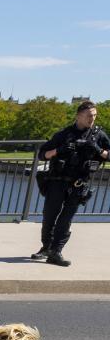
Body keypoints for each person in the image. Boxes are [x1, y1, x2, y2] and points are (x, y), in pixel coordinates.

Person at [32, 100, 110, 266]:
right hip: (57, 181)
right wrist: (59, 151)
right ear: (78, 116)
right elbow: (42, 154)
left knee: (66, 219)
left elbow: (108, 155)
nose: (92, 119)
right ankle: (46, 247)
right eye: (89, 115)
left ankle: (56, 251)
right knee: (49, 216)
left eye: (95, 115)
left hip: (79, 184)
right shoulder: (63, 134)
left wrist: (97, 149)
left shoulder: (99, 135)